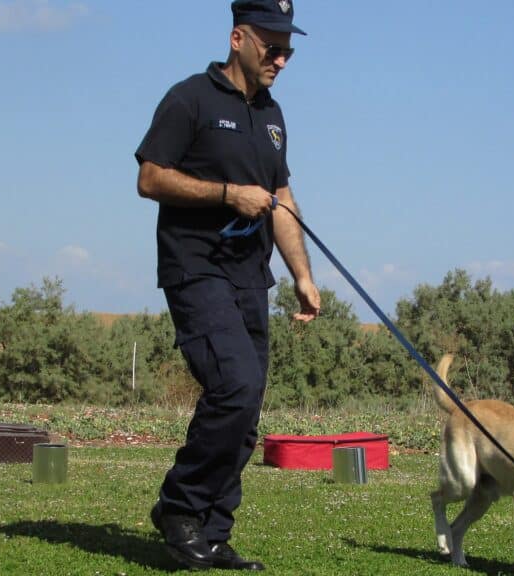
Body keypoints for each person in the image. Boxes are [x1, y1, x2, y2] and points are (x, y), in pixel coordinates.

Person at [134, 0, 319, 571]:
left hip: (250, 277)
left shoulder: (273, 115)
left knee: (247, 408)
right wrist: (225, 194)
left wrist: (303, 276)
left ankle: (213, 533)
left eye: (289, 49)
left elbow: (282, 201)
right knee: (234, 387)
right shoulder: (188, 97)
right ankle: (180, 508)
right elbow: (149, 178)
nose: (282, 59)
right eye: (272, 46)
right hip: (195, 269)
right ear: (239, 37)